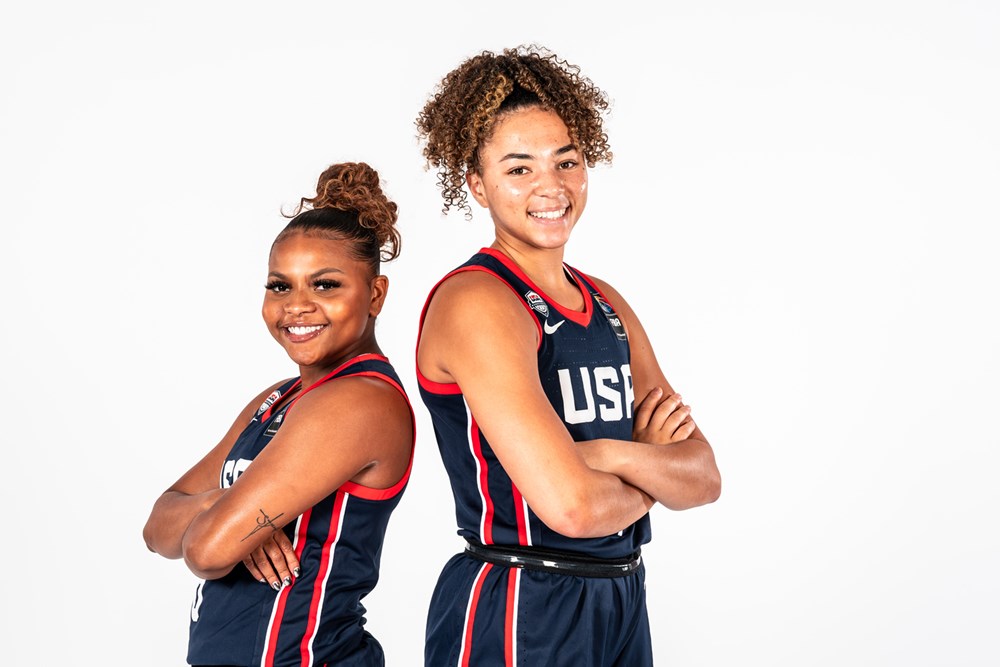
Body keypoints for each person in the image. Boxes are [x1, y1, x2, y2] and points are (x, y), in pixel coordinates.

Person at [414, 45, 722, 666]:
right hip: (523, 596)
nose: (550, 187)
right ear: (476, 183)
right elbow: (573, 507)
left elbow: (704, 477)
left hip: (621, 594)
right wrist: (649, 468)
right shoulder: (478, 301)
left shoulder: (604, 300)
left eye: (567, 161)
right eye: (519, 168)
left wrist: (606, 455)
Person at [142, 162, 414, 667]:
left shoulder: (361, 401)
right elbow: (158, 525)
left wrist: (225, 523)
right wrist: (223, 508)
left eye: (326, 285)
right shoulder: (277, 397)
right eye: (280, 286)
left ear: (375, 294)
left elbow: (206, 552)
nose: (297, 306)